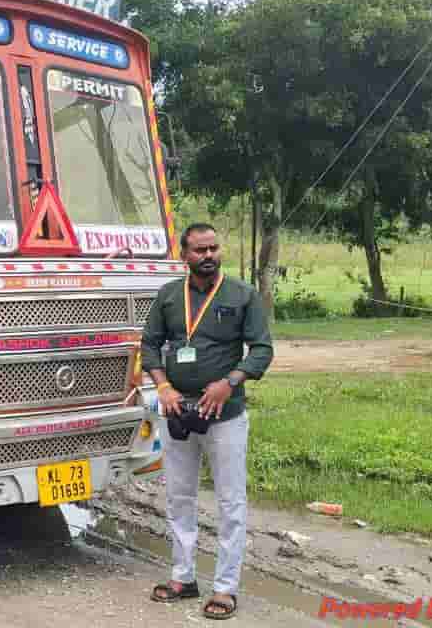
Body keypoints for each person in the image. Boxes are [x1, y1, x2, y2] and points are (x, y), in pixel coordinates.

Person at [140, 223, 273, 620]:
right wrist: (163, 386)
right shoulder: (167, 296)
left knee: (231, 501)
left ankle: (225, 587)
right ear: (185, 255)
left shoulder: (241, 295)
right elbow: (149, 345)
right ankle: (183, 577)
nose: (209, 255)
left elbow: (262, 349)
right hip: (178, 413)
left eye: (214, 247)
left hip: (224, 415)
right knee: (179, 496)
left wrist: (229, 383)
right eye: (200, 249)